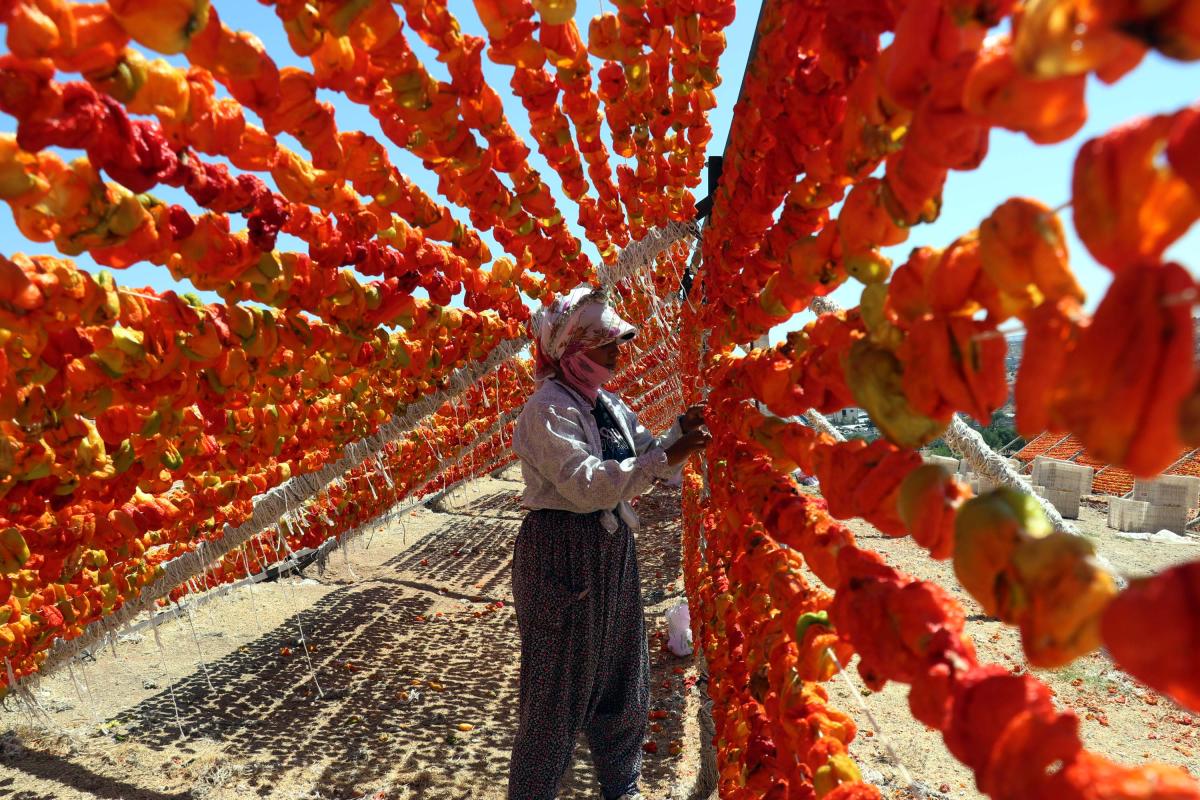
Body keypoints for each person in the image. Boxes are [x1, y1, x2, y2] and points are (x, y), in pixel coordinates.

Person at [508, 286, 710, 800]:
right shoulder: (546, 410)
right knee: (556, 687)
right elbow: (586, 484)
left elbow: (649, 458)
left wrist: (677, 436)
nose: (618, 353)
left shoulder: (609, 405)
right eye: (607, 343)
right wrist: (665, 458)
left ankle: (622, 783)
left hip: (611, 547)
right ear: (574, 350)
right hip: (561, 551)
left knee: (622, 668)